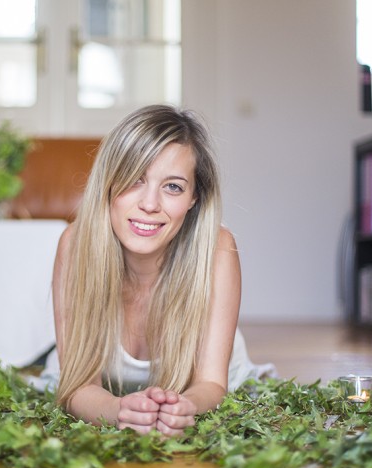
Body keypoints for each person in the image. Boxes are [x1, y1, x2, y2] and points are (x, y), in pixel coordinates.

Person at [31, 104, 275, 436]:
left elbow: (210, 384)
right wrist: (118, 410)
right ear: (109, 183)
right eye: (134, 180)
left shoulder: (217, 248)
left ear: (193, 198)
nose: (149, 204)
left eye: (172, 186)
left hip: (211, 390)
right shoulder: (75, 245)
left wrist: (185, 407)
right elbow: (76, 387)